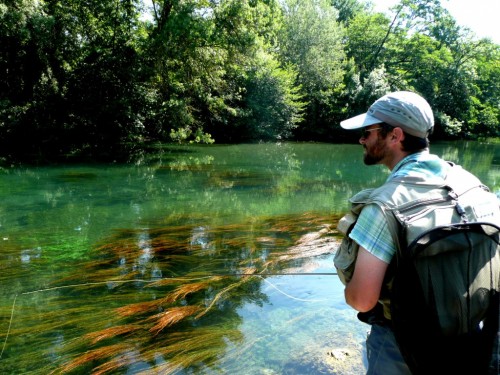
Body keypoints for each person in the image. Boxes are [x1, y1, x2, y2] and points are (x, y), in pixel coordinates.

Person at [336, 91, 499, 374]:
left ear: (395, 136)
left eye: (368, 131)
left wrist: (349, 288)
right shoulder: (473, 184)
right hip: (474, 333)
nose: (362, 139)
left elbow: (362, 300)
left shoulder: (383, 206)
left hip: (402, 346)